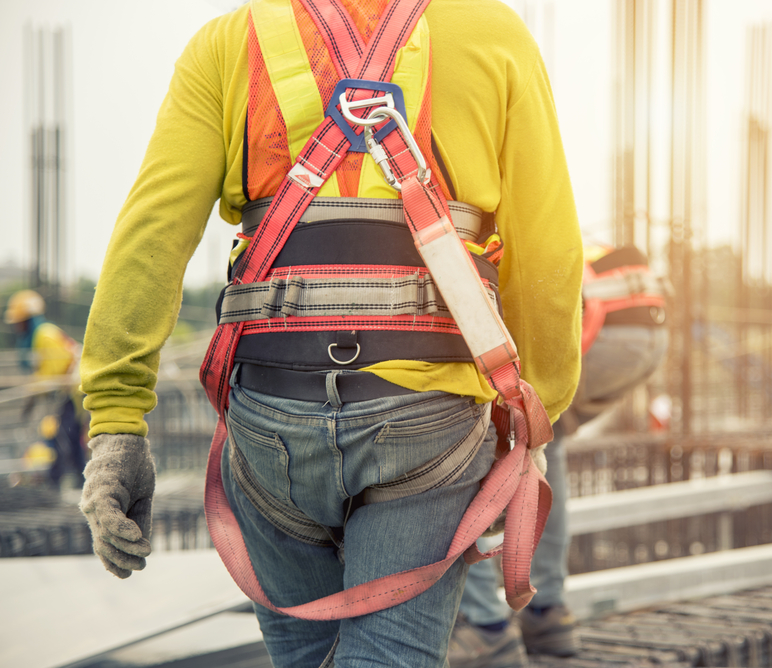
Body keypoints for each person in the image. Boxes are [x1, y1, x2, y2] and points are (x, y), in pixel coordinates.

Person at [77, 1, 582, 667]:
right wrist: (535, 417)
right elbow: (548, 252)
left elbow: (153, 233)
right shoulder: (493, 33)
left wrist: (117, 424)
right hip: (425, 416)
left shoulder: (228, 43)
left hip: (269, 416)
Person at [449, 245, 669, 667]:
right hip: (644, 332)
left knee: (457, 454)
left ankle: (485, 625)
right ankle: (546, 614)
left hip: (599, 327)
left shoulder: (456, 229)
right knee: (548, 441)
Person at [5, 289, 85, 488]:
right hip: (69, 392)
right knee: (68, 437)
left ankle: (60, 483)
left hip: (73, 393)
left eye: (19, 321)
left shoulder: (45, 334)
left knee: (63, 437)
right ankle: (75, 481)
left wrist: (32, 395)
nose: (17, 327)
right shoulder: (42, 335)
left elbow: (53, 374)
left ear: (28, 320)